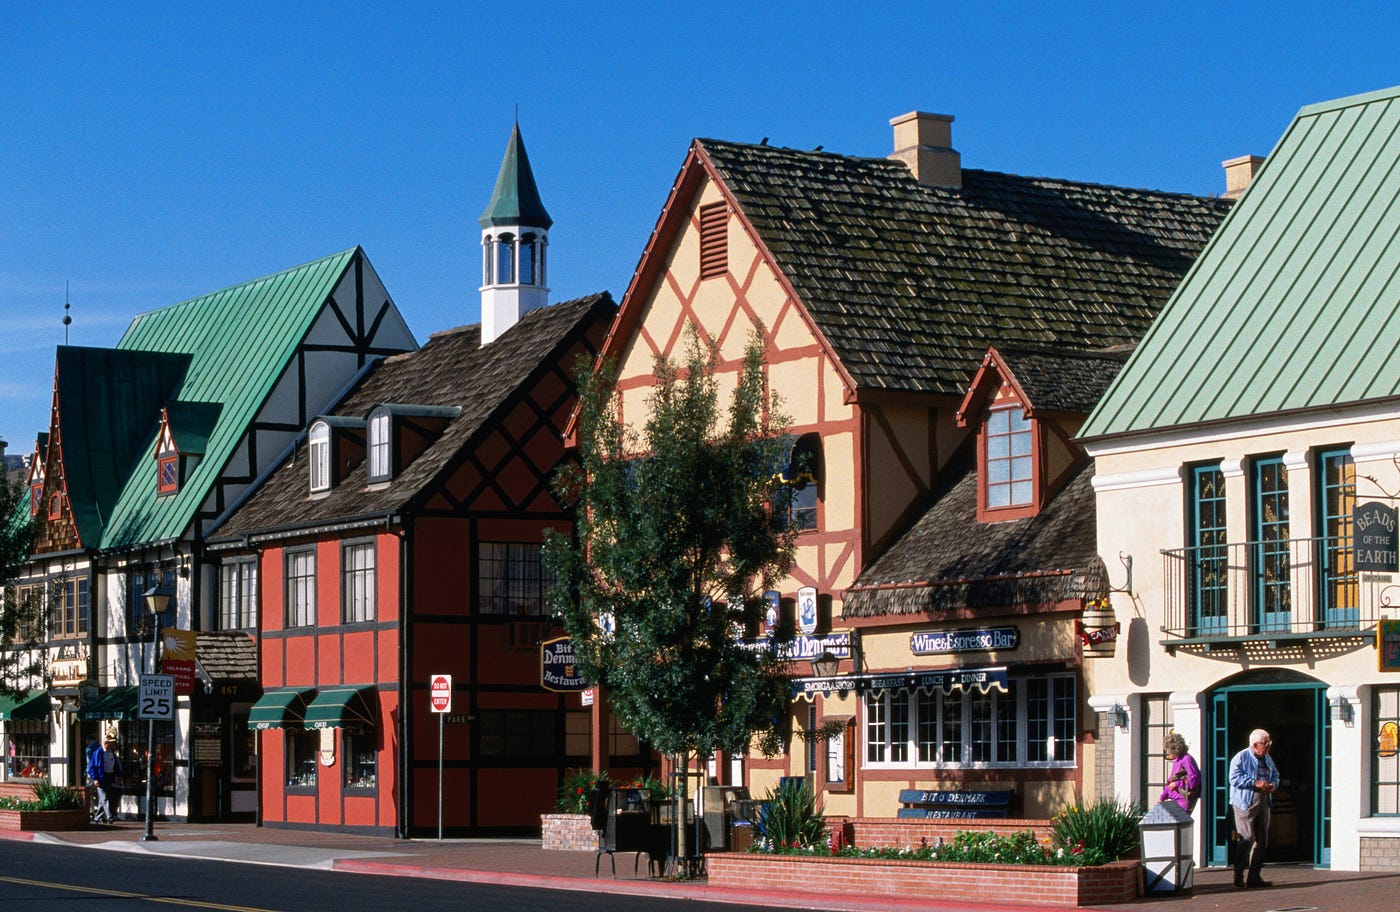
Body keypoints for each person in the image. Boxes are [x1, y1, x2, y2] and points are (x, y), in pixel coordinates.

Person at [1228, 728, 1279, 889]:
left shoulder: (1267, 757)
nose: (1268, 746)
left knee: (1262, 840)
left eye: (1269, 743)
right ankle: (1238, 874)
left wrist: (1273, 785)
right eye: (1265, 743)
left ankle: (1254, 877)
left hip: (1263, 799)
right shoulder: (1241, 757)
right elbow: (1234, 778)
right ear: (1255, 745)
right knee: (1247, 837)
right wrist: (1255, 783)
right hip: (1245, 802)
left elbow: (1275, 775)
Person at [1160, 732, 1201, 812]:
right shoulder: (1177, 761)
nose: (1167, 753)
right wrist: (1162, 797)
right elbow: (1170, 782)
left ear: (1174, 749)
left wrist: (1177, 784)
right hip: (1175, 800)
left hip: (1183, 801)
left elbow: (1194, 780)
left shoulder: (1187, 759)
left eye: (1168, 750)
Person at [87, 736, 123, 824]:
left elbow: (116, 765)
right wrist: (95, 778)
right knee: (104, 798)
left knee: (103, 799)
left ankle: (97, 817)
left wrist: (118, 776)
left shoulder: (112, 753)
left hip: (109, 777)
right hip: (101, 777)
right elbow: (92, 767)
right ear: (105, 743)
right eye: (110, 743)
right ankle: (109, 816)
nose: (112, 744)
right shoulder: (98, 753)